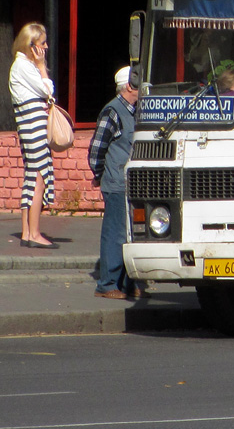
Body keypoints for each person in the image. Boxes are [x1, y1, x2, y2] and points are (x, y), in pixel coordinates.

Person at [88, 66, 145, 299]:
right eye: (140, 85)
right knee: (116, 234)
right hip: (116, 183)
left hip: (131, 183)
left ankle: (128, 283)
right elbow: (96, 151)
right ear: (129, 86)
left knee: (132, 234)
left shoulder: (133, 111)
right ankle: (107, 284)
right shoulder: (112, 111)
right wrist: (102, 174)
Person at [8, 23, 58, 249]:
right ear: (32, 46)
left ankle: (28, 232)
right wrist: (41, 66)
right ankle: (35, 233)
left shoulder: (22, 65)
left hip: (29, 126)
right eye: (42, 43)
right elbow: (48, 91)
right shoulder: (24, 66)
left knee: (31, 177)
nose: (46, 47)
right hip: (33, 126)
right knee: (38, 177)